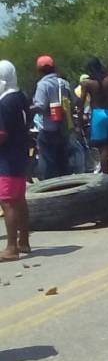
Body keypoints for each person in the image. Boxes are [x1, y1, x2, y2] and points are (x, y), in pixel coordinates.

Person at [0, 61, 31, 261]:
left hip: (7, 158)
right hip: (21, 154)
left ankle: (11, 248)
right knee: (19, 200)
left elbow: (2, 134)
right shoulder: (21, 97)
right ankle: (24, 241)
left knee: (7, 202)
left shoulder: (3, 103)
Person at [31, 55, 75, 179]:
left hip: (48, 128)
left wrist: (25, 108)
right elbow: (73, 101)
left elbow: (40, 105)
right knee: (63, 161)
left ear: (39, 70)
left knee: (48, 163)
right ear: (54, 67)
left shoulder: (43, 85)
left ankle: (50, 189)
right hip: (63, 128)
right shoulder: (64, 83)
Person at [80, 58, 108, 173]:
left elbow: (81, 104)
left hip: (98, 115)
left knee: (103, 148)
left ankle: (105, 175)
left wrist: (79, 120)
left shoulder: (87, 83)